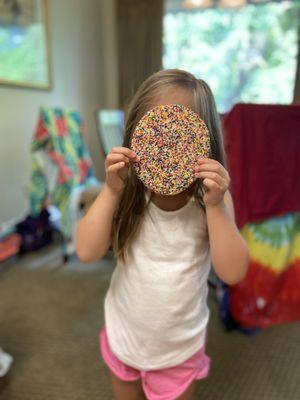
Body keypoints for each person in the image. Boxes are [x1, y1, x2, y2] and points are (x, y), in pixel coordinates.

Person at [76, 69, 249, 400]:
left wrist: (215, 208)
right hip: (124, 335)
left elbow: (233, 271)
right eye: (156, 133)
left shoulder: (211, 199)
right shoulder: (126, 189)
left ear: (204, 139)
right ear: (136, 135)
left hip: (178, 350)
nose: (167, 148)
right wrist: (111, 191)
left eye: (180, 137)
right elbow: (85, 251)